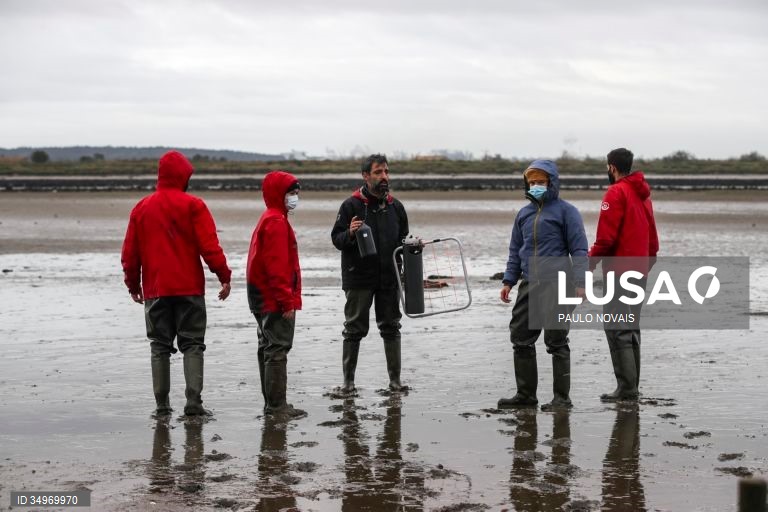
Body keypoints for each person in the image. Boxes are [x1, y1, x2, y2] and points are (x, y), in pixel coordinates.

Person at [121, 150, 231, 417]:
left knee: (159, 346)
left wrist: (133, 284)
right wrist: (224, 276)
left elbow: (129, 254)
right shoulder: (194, 205)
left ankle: (162, 405)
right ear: (184, 176)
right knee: (193, 344)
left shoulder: (142, 207)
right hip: (189, 288)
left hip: (156, 290)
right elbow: (209, 247)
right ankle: (193, 403)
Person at [498, 160, 588, 411]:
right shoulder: (523, 214)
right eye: (532, 182)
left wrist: (581, 283)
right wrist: (508, 280)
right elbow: (516, 250)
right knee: (521, 338)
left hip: (559, 283)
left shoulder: (567, 211)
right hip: (529, 283)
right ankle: (526, 395)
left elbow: (579, 249)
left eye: (541, 181)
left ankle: (562, 399)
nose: (536, 186)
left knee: (556, 339)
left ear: (552, 183)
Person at [331, 154, 409, 394]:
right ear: (366, 176)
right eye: (378, 172)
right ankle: (348, 383)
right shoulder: (350, 206)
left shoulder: (396, 207)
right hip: (359, 278)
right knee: (354, 329)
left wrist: (413, 246)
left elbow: (403, 240)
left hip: (389, 278)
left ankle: (395, 382)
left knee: (391, 327)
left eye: (386, 172)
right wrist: (351, 234)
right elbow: (336, 239)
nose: (384, 177)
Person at [589, 148, 659, 402]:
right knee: (631, 328)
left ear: (611, 167)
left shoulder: (615, 192)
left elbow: (605, 239)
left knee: (617, 328)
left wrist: (588, 264)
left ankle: (626, 389)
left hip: (619, 272)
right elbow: (653, 240)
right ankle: (631, 386)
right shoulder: (643, 195)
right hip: (639, 269)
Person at [247, 171, 306, 419]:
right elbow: (277, 267)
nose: (295, 198)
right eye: (291, 193)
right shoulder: (275, 222)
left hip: (261, 295)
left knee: (268, 347)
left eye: (296, 193)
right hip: (272, 298)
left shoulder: (270, 218)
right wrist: (286, 301)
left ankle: (272, 404)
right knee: (277, 349)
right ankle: (276, 407)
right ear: (278, 195)